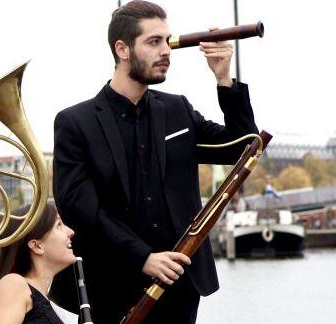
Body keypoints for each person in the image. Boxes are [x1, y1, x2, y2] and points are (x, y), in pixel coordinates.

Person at [51, 1, 258, 323]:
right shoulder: (75, 122)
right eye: (154, 41)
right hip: (110, 285)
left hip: (180, 281)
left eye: (167, 40)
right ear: (122, 49)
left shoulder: (178, 110)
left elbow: (244, 150)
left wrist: (224, 79)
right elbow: (78, 205)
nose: (167, 50)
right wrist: (142, 257)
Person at [0, 202, 75, 324]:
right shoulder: (13, 285)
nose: (71, 232)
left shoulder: (39, 297)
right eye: (59, 225)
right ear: (37, 246)